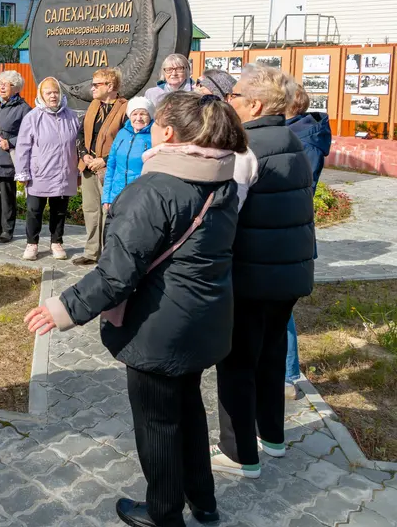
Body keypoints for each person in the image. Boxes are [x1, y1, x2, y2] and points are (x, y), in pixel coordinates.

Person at [25, 92, 248, 527]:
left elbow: (114, 276)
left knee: (158, 426)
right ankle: (203, 503)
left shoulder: (153, 190)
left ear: (167, 133)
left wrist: (64, 308)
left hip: (159, 330)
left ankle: (164, 514)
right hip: (205, 322)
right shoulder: (222, 181)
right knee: (188, 411)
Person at [214, 65, 315, 478]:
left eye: (234, 96)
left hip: (252, 276)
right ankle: (272, 437)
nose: (228, 101)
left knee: (237, 361)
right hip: (288, 274)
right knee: (271, 357)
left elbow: (227, 214)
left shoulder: (246, 148)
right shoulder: (292, 138)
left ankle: (239, 455)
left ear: (253, 104)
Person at [284, 83, 331, 397]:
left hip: (289, 234)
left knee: (281, 310)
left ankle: (288, 376)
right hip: (278, 232)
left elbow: (301, 188)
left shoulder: (306, 139)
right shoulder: (292, 132)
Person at [14, 77, 81, 262]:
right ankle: (32, 244)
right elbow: (22, 147)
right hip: (39, 174)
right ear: (41, 95)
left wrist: (78, 171)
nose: (53, 96)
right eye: (48, 93)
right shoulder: (33, 117)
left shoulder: (71, 116)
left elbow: (78, 145)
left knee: (59, 211)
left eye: (56, 92)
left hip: (64, 173)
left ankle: (56, 242)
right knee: (34, 210)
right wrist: (23, 172)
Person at [74, 68, 128, 266]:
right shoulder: (93, 106)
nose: (92, 88)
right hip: (89, 166)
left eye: (97, 84)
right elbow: (80, 134)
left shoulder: (125, 108)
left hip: (109, 169)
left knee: (109, 211)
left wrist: (104, 159)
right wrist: (84, 155)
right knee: (90, 210)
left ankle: (108, 254)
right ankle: (91, 252)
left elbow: (126, 140)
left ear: (110, 86)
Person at [0, 70, 31, 243]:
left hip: (6, 161)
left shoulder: (23, 109)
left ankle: (7, 230)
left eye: (7, 84)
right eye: (0, 83)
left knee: (6, 198)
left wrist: (11, 142)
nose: (2, 86)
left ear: (16, 88)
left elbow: (30, 133)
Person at [102, 97, 154, 212]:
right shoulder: (122, 134)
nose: (138, 118)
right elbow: (111, 166)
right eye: (134, 114)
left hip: (141, 198)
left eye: (143, 114)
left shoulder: (155, 136)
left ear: (150, 116)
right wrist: (107, 197)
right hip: (117, 196)